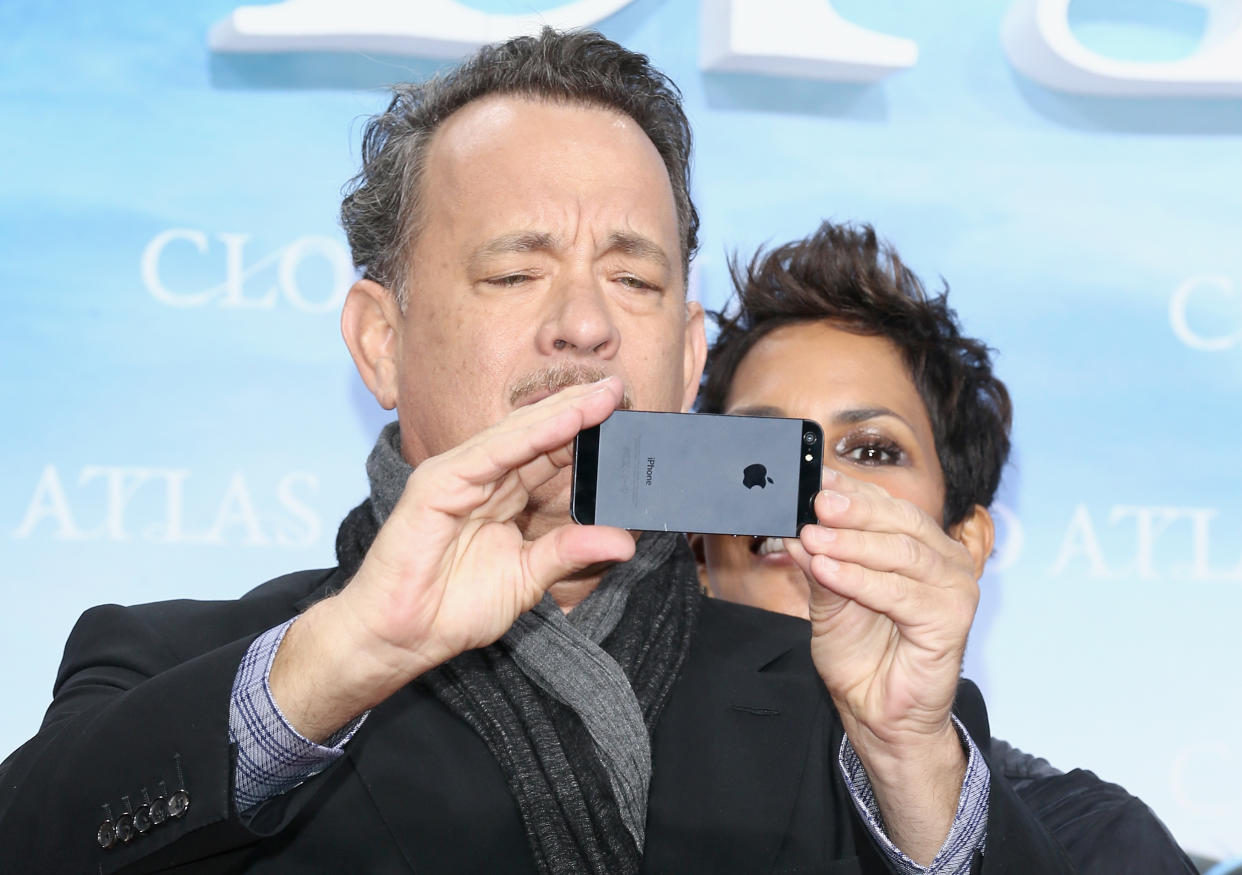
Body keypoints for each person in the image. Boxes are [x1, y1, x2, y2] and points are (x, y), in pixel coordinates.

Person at [0, 30, 1075, 874]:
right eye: (516, 274)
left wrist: (910, 763)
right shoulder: (185, 670)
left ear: (690, 351)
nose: (583, 324)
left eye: (635, 280)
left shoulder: (854, 700)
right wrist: (342, 658)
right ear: (381, 341)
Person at [696, 220, 1197, 873]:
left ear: (965, 542)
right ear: (697, 547)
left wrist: (910, 757)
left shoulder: (1094, 843)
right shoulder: (599, 802)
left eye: (872, 449)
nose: (812, 488)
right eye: (761, 452)